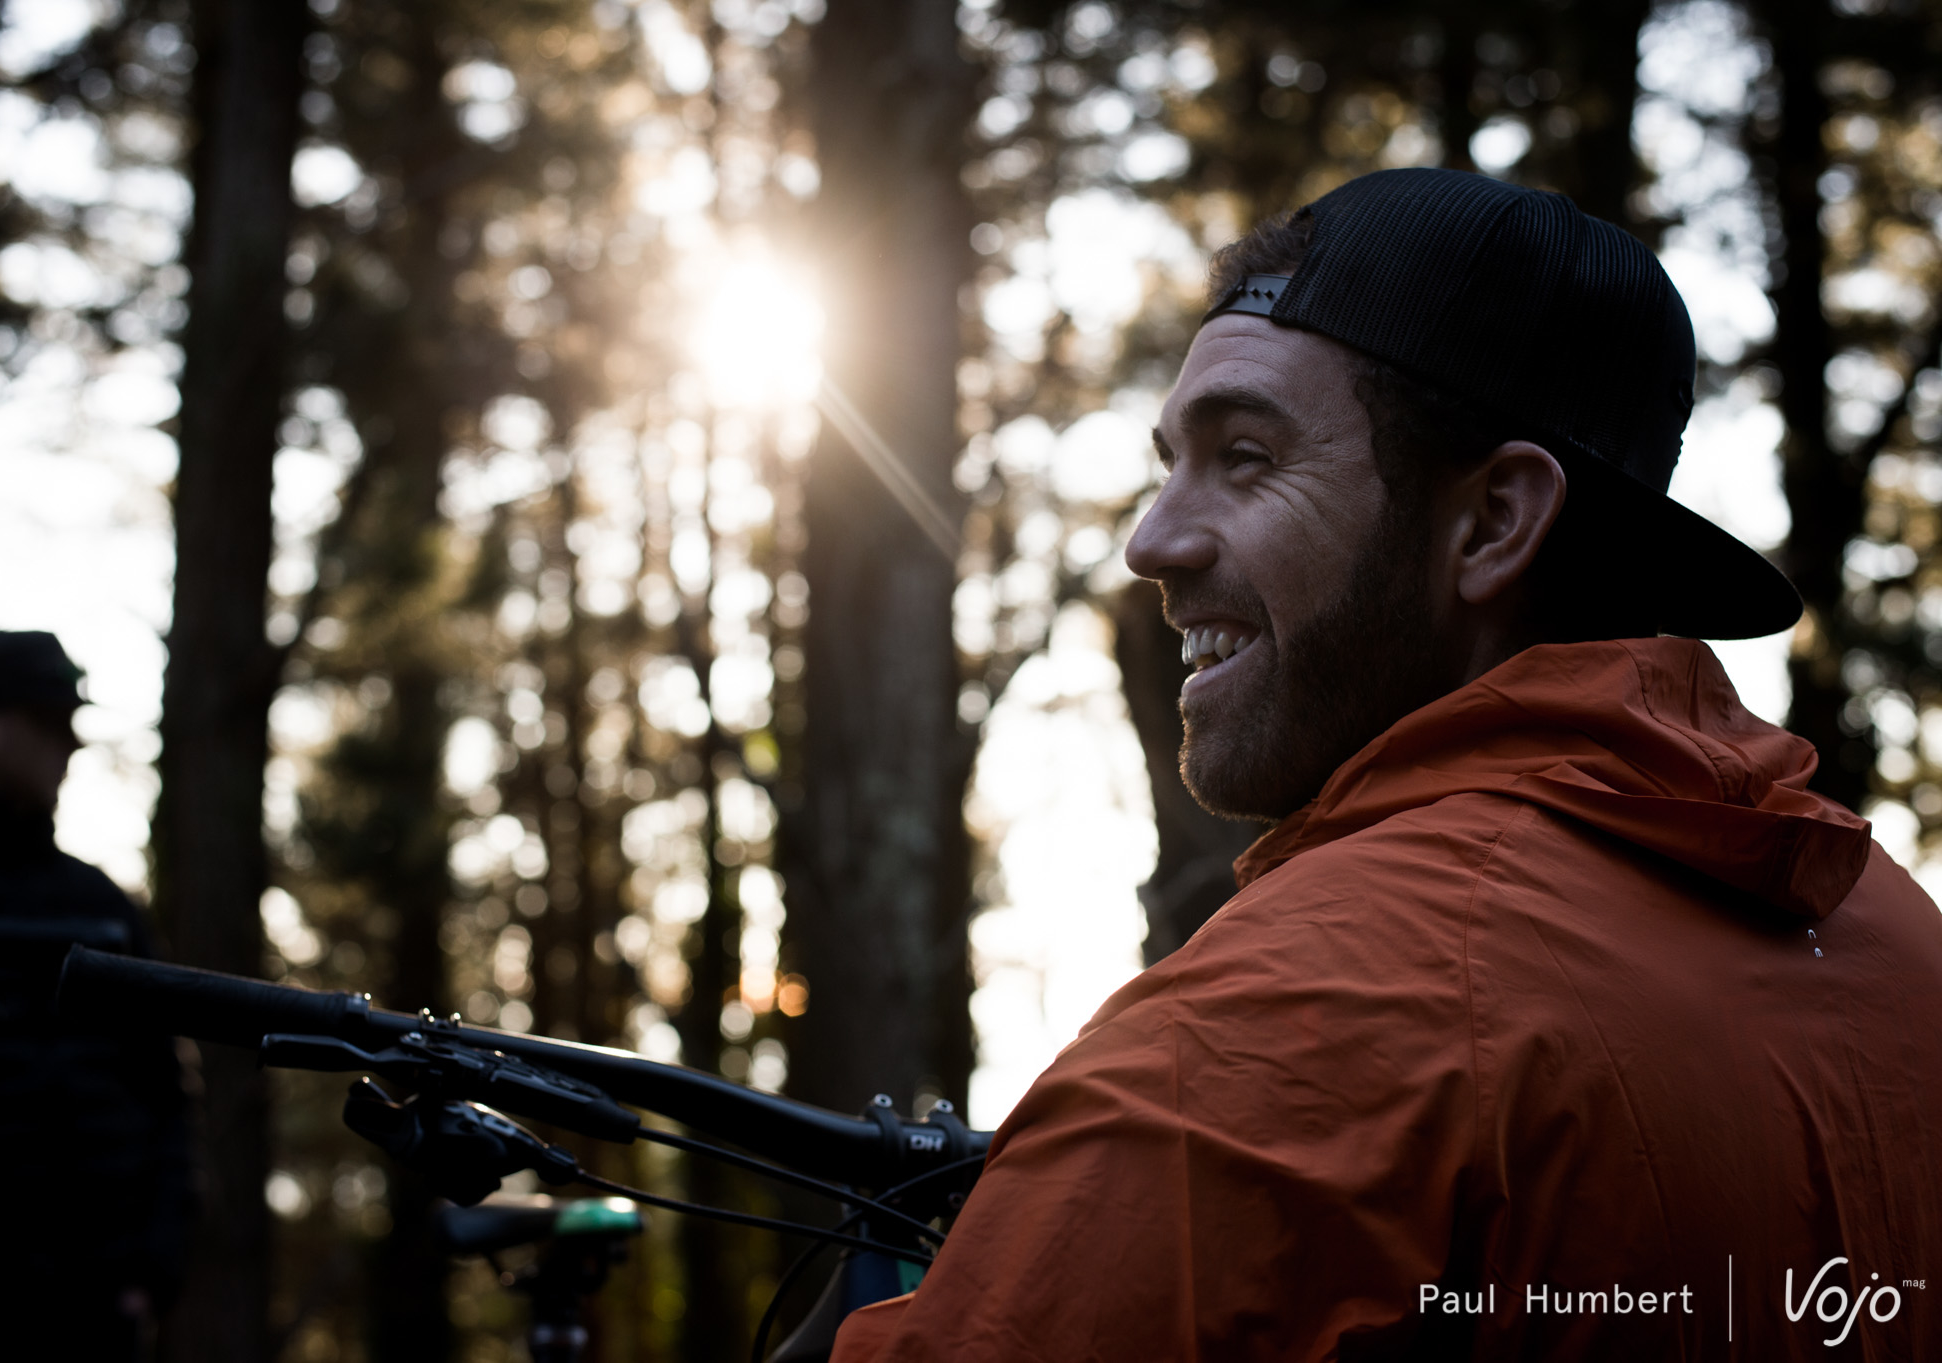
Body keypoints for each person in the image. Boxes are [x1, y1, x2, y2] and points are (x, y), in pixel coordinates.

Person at [831, 168, 1942, 1360]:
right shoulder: (1895, 936)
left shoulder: (1297, 1015)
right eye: (1167, 463)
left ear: (1493, 521)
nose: (1151, 541)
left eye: (1244, 456)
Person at [0, 631, 190, 1360]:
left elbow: (167, 1095)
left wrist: (150, 1271)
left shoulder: (99, 907)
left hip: (91, 1316)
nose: (71, 746)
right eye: (49, 723)